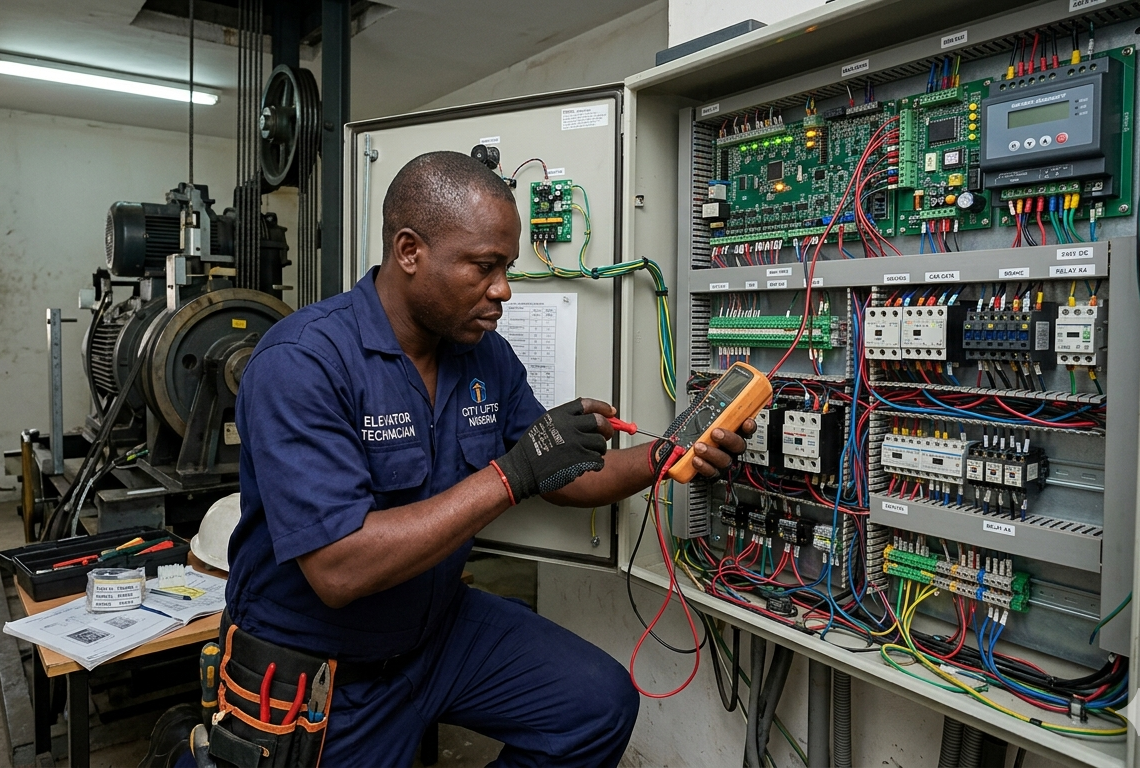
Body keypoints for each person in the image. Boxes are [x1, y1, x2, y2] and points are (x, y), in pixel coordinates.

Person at [222, 150, 753, 766]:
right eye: (484, 266)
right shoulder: (303, 362)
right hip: (324, 667)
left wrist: (668, 453)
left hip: (436, 633)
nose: (502, 289)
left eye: (506, 267)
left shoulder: (483, 355)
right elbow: (340, 569)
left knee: (594, 704)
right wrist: (512, 473)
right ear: (410, 251)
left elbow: (556, 472)